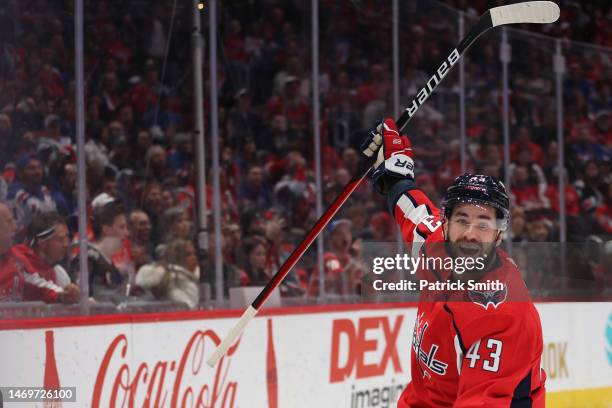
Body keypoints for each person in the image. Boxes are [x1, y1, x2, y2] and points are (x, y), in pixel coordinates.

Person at [361, 119, 545, 407]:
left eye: (483, 223)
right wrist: (396, 172)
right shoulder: (434, 246)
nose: (470, 233)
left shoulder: (504, 313)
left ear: (498, 235)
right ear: (445, 225)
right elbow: (414, 211)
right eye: (462, 220)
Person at [11, 212, 80, 304]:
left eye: (67, 238)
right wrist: (64, 295)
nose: (66, 244)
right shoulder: (16, 260)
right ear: (42, 243)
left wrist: (77, 297)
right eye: (60, 239)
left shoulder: (59, 272)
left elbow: (73, 300)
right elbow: (35, 284)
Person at [135, 239, 200, 309]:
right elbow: (188, 309)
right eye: (188, 254)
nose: (194, 257)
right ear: (177, 257)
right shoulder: (169, 282)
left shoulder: (191, 279)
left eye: (194, 253)